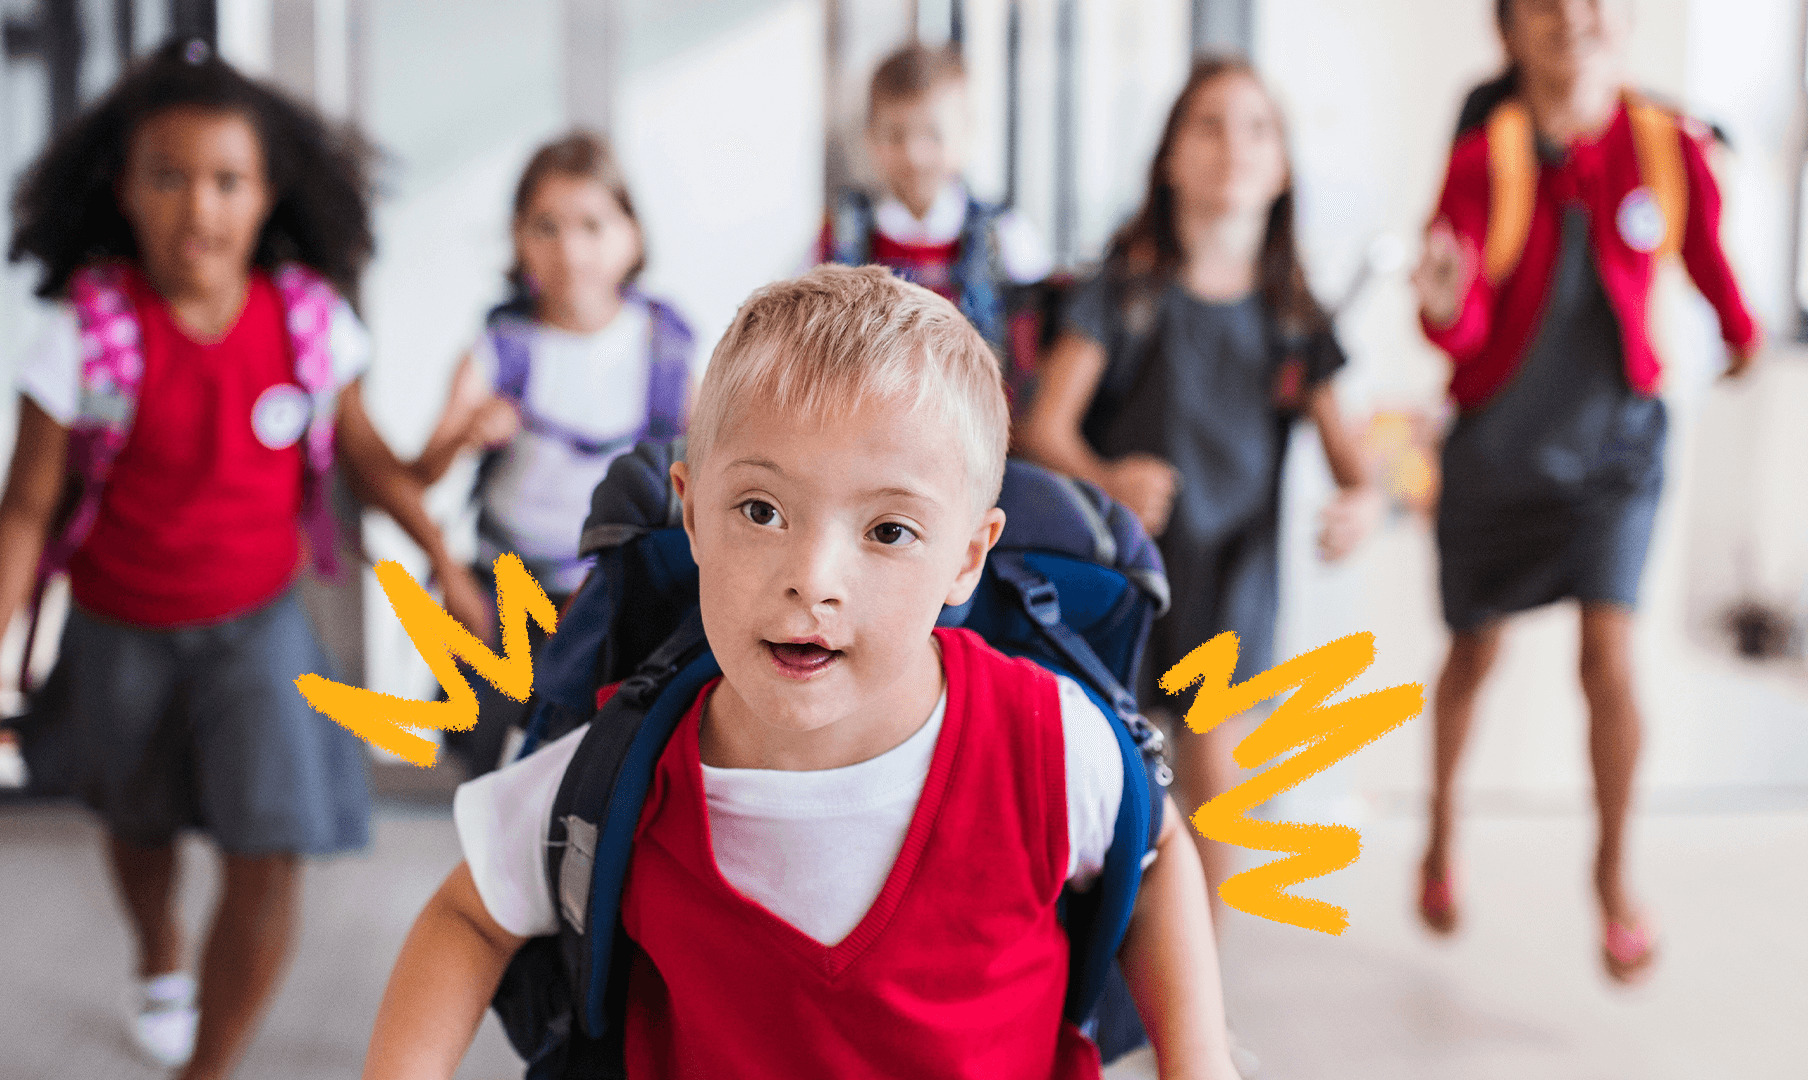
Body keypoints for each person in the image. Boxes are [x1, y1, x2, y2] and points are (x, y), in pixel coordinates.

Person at [361, 266, 1239, 1080]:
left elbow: (1157, 851)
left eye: (889, 530)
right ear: (694, 515)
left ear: (968, 560)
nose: (812, 579)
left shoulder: (1047, 743)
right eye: (761, 510)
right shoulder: (624, 769)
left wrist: (1197, 1061)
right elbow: (469, 916)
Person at [0, 40, 486, 1080]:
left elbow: (366, 461)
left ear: (267, 192)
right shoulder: (83, 334)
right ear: (125, 191)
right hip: (119, 629)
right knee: (139, 825)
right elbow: (24, 509)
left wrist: (444, 559)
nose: (200, 208)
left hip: (260, 625)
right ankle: (158, 947)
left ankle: (210, 1066)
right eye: (169, 177)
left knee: (269, 846)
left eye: (227, 180)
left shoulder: (308, 322)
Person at [1412, 0, 1759, 983]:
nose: (1574, 18)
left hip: (1619, 450)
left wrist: (1740, 334)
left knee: (1609, 653)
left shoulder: (1665, 145)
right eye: (1545, 5)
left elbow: (1706, 261)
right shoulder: (1488, 158)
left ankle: (1612, 876)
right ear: (1510, 32)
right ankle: (1441, 832)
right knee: (1473, 654)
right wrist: (1442, 304)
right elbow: (1461, 316)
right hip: (1500, 452)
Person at [1017, 57, 1379, 925]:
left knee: (1214, 761)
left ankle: (1200, 982)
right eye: (1208, 125)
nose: (1233, 146)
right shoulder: (1126, 292)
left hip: (1232, 570)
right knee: (1112, 769)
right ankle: (1100, 959)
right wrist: (1105, 478)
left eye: (1258, 127)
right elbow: (1043, 428)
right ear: (1171, 158)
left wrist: (1360, 505)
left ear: (1284, 165)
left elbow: (1353, 461)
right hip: (1127, 566)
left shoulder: (1295, 312)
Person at [405, 132, 694, 776]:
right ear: (516, 239)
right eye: (546, 226)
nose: (570, 249)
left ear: (634, 234)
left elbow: (710, 472)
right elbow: (419, 475)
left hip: (618, 594)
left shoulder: (667, 347)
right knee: (490, 774)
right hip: (504, 593)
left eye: (592, 225)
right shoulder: (500, 347)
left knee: (602, 766)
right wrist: (465, 434)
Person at [819, 42, 1052, 354]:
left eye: (934, 134)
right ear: (870, 137)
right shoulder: (838, 236)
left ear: (966, 135)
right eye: (895, 135)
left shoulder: (1006, 235)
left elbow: (1035, 347)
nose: (914, 155)